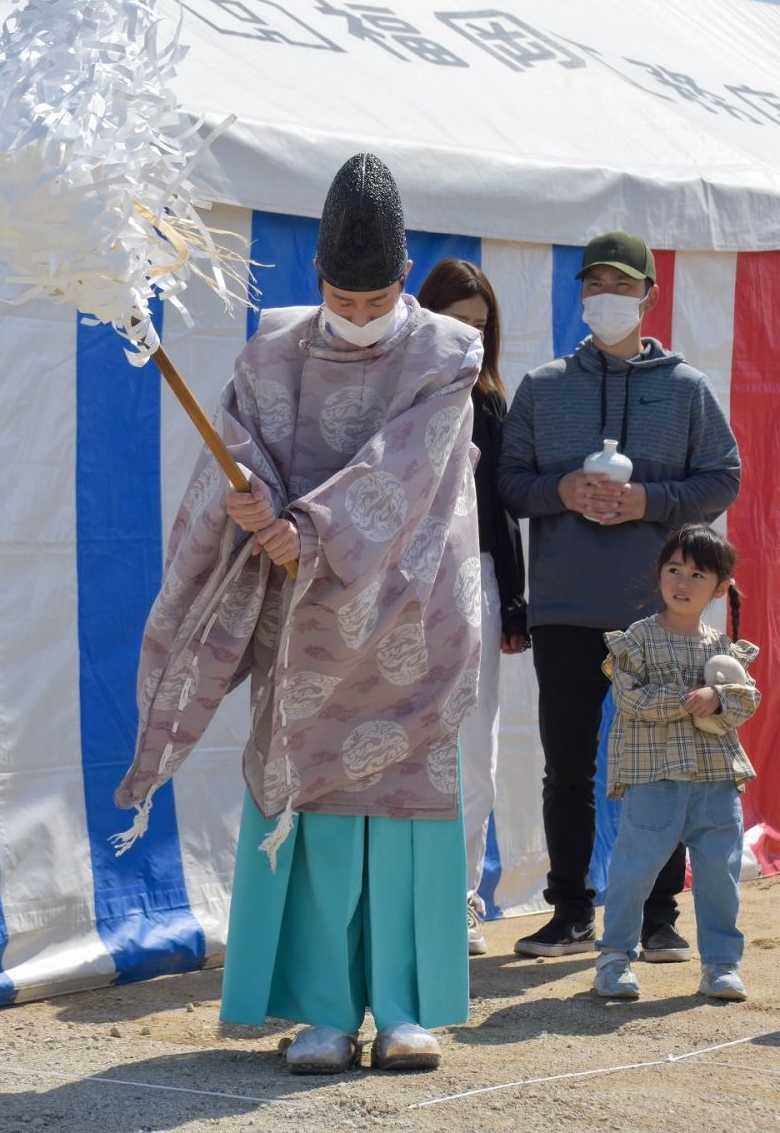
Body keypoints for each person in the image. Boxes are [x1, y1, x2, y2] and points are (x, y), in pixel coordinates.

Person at [114, 153, 484, 1074]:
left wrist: (308, 529)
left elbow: (414, 467)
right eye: (341, 301)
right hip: (304, 625)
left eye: (374, 302)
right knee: (311, 805)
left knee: (403, 813)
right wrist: (249, 502)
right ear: (318, 277)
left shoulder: (446, 353)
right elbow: (236, 449)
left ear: (404, 277)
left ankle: (403, 1008)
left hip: (411, 615)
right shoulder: (270, 348)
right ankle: (320, 1009)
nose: (357, 319)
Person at [498, 231, 741, 960]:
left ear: (648, 294)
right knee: (567, 764)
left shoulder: (687, 388)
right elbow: (508, 482)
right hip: (567, 606)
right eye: (594, 283)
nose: (607, 296)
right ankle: (571, 910)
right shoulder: (543, 387)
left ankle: (658, 917)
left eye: (622, 284)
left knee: (662, 763)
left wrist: (651, 501)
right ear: (581, 293)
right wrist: (561, 489)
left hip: (660, 615)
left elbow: (722, 477)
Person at [594, 523, 760, 1001]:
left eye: (697, 574)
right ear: (659, 573)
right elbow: (629, 700)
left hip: (716, 780)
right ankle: (614, 958)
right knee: (632, 872)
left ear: (720, 587)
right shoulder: (637, 639)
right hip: (654, 779)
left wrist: (721, 696)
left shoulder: (724, 648)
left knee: (719, 877)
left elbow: (748, 701)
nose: (682, 583)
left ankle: (721, 965)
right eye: (674, 569)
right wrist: (689, 699)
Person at [417, 259, 528, 956]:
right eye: (456, 322)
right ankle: (405, 896)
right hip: (406, 582)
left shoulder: (489, 398)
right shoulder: (396, 388)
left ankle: (460, 899)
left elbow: (503, 510)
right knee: (403, 742)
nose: (468, 337)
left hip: (477, 579)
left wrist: (513, 598)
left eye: (479, 327)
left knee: (474, 747)